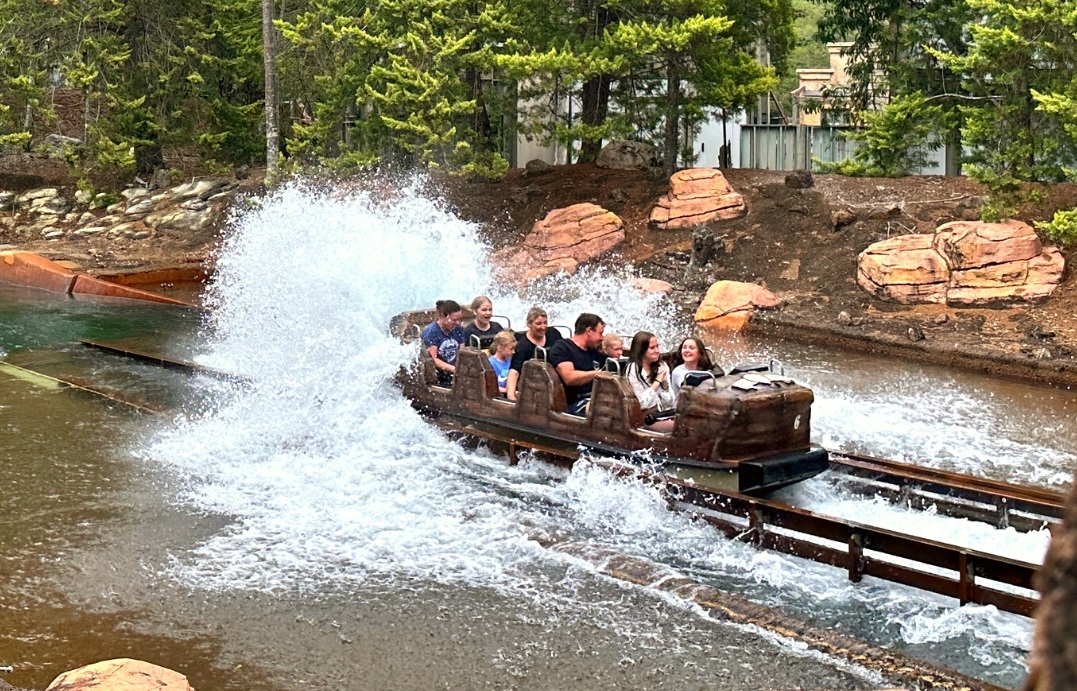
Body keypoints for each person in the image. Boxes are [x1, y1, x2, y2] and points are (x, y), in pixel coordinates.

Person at [547, 313, 606, 416]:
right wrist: (599, 373)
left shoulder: (593, 351)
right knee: (603, 408)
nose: (602, 338)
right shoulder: (562, 348)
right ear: (589, 331)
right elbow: (569, 377)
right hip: (573, 404)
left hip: (595, 397)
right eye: (600, 333)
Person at [506, 307, 563, 401]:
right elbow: (514, 371)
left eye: (545, 323)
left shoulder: (554, 334)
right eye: (538, 324)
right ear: (529, 324)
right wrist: (511, 395)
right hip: (534, 385)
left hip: (556, 380)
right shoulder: (523, 345)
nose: (543, 327)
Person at [625, 331, 676, 432]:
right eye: (652, 348)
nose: (657, 350)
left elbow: (669, 402)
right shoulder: (633, 369)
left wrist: (665, 384)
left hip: (661, 413)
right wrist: (657, 382)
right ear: (642, 350)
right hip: (644, 417)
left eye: (657, 346)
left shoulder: (662, 366)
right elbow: (641, 403)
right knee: (678, 427)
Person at [421, 299, 466, 386]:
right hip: (440, 374)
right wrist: (454, 369)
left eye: (458, 320)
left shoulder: (458, 329)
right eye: (454, 320)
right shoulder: (432, 332)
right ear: (443, 316)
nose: (457, 323)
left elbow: (462, 352)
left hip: (456, 372)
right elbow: (434, 360)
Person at [488, 330, 516, 395]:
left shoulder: (510, 360)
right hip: (500, 395)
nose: (513, 352)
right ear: (500, 348)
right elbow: (491, 386)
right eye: (511, 349)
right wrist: (509, 391)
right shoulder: (491, 363)